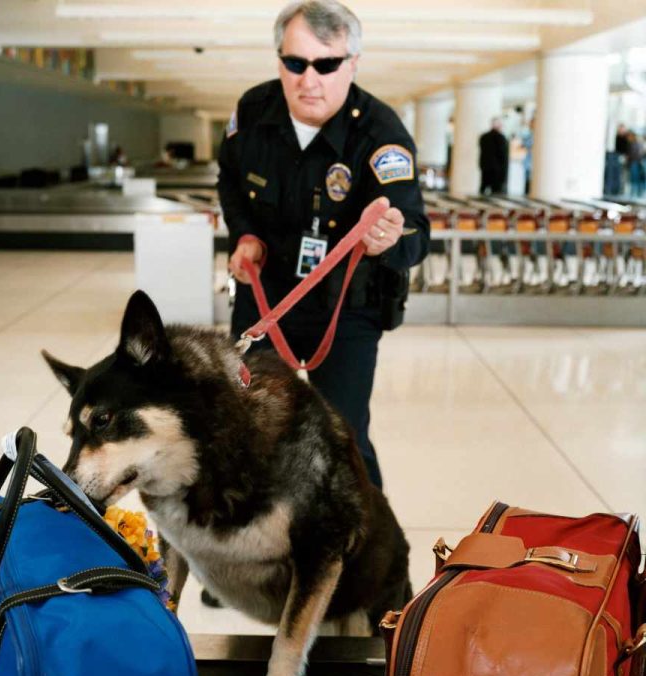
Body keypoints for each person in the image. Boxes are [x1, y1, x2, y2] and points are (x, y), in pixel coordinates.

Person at [218, 0, 429, 492]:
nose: (308, 80)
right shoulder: (252, 112)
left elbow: (418, 230)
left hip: (346, 308)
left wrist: (389, 239)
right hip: (265, 302)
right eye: (295, 63)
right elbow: (230, 182)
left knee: (344, 435)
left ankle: (373, 556)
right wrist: (244, 234)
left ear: (352, 63)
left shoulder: (380, 134)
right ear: (279, 61)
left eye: (326, 64)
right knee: (250, 428)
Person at [478, 117, 509, 195]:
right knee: (495, 191)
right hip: (497, 170)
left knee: (483, 188)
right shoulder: (501, 138)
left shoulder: (483, 137)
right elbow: (503, 156)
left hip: (485, 167)